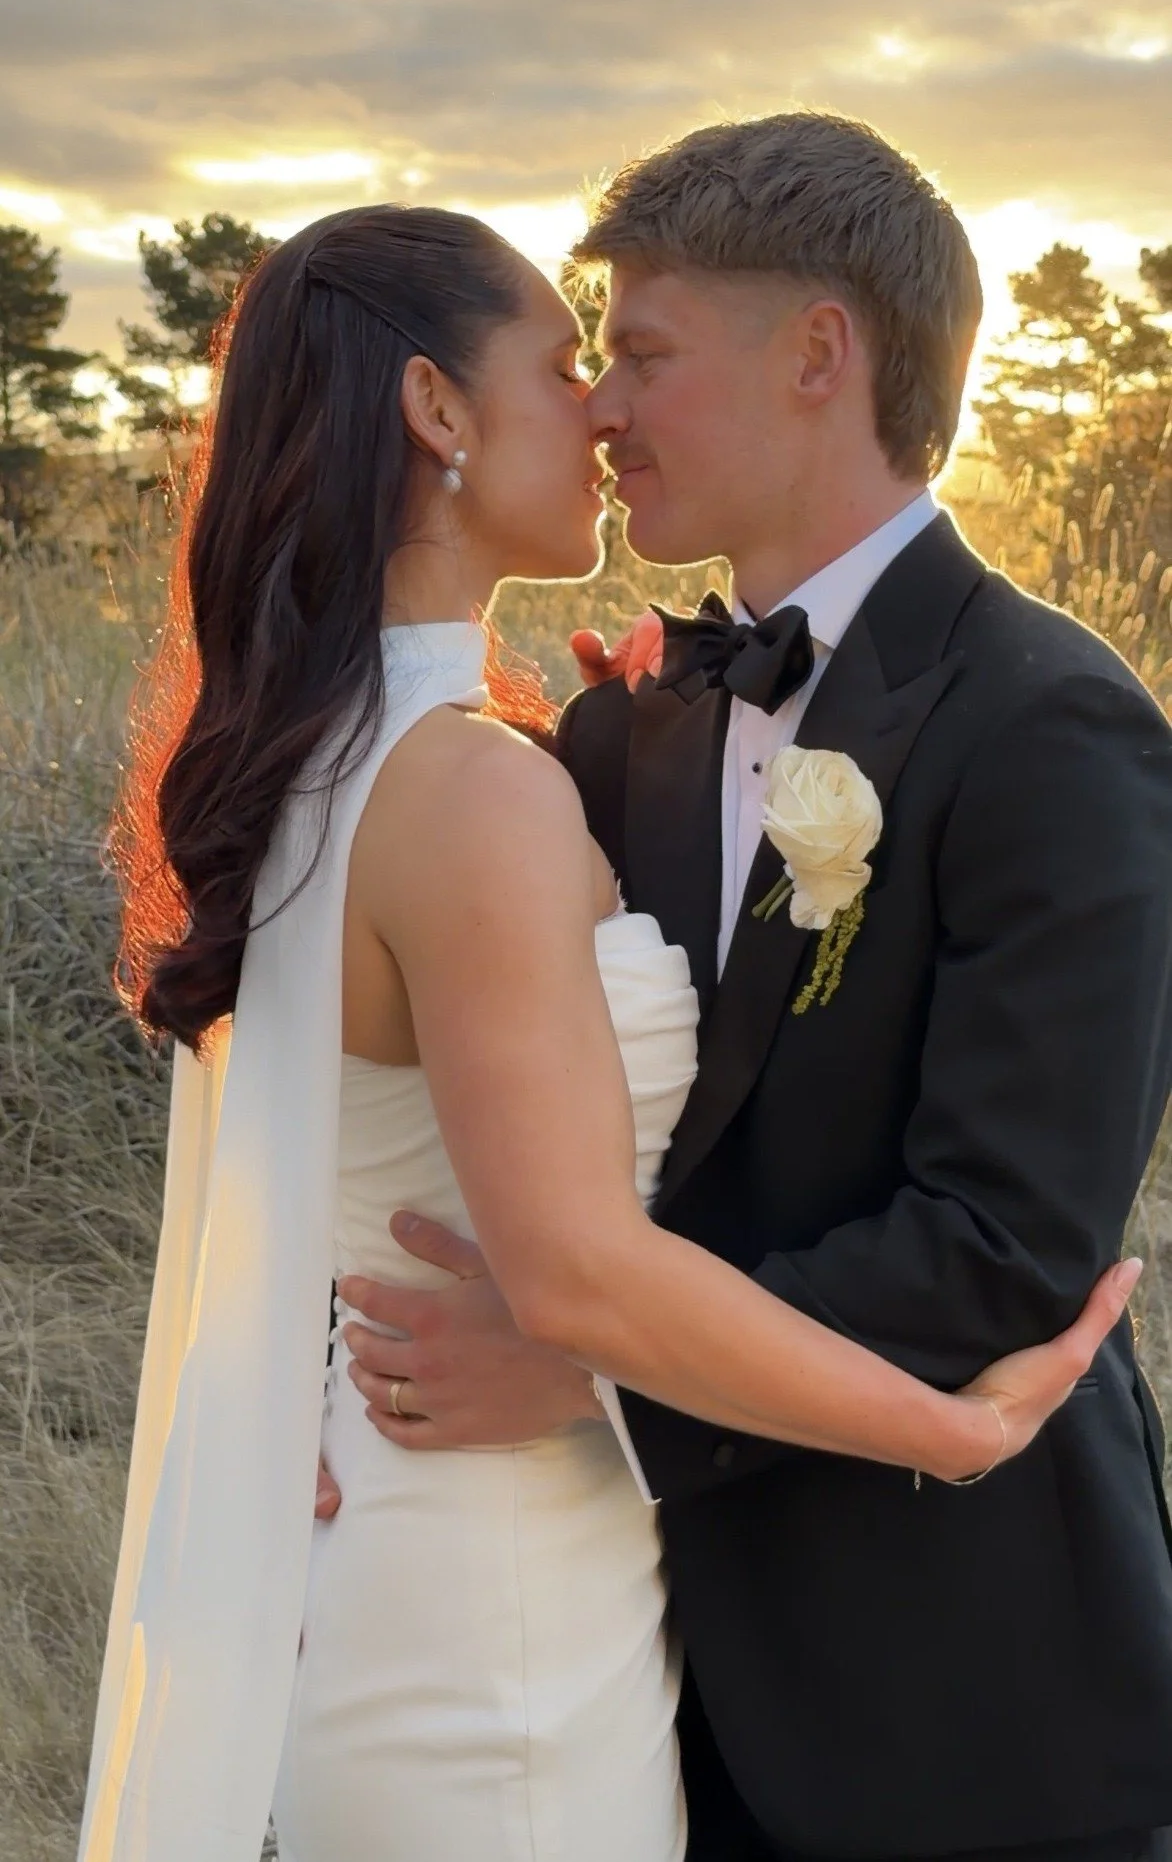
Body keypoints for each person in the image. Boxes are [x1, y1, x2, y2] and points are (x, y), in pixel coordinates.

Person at [79, 194, 1130, 1862]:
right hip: (496, 1630)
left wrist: (502, 1391)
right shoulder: (522, 768)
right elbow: (527, 1233)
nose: (600, 408)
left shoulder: (433, 743)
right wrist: (958, 1425)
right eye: (577, 358)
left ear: (819, 354)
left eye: (630, 355)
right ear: (435, 410)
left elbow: (998, 1239)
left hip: (817, 1660)